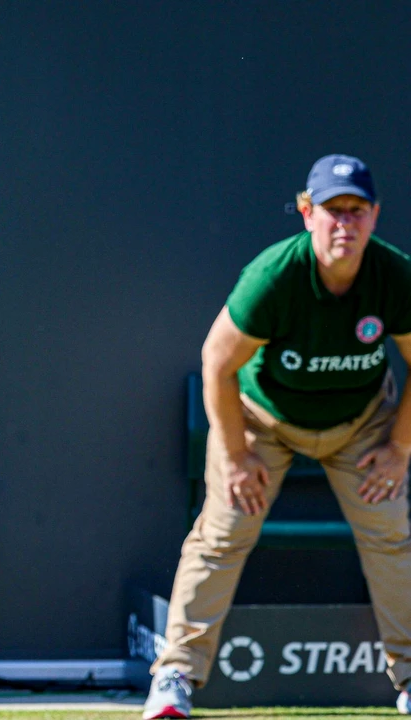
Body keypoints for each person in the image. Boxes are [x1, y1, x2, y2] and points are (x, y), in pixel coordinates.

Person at [144, 154, 411, 719]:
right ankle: (173, 681)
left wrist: (401, 447)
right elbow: (217, 363)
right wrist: (237, 453)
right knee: (222, 535)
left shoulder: (393, 275)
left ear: (375, 216)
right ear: (307, 213)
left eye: (357, 210)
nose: (346, 223)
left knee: (391, 535)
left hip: (361, 424)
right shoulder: (274, 276)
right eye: (333, 210)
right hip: (263, 423)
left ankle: (410, 679)